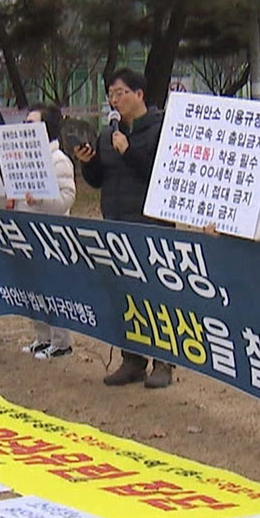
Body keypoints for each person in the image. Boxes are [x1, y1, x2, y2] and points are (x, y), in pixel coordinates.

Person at [73, 67, 175, 388]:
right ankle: (132, 360)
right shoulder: (108, 135)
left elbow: (159, 175)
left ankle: (164, 362)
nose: (115, 100)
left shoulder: (160, 129)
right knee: (123, 293)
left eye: (120, 93)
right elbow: (98, 180)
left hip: (150, 225)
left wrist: (128, 151)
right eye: (111, 95)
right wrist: (88, 161)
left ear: (139, 95)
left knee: (155, 295)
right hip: (115, 223)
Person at [17, 105, 77, 358]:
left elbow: (66, 200)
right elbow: (15, 197)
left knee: (54, 290)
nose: (25, 128)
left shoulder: (59, 161)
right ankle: (42, 338)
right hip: (27, 233)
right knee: (32, 288)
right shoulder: (24, 158)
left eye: (31, 124)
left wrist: (39, 201)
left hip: (52, 237)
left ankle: (62, 343)